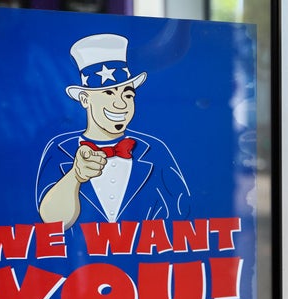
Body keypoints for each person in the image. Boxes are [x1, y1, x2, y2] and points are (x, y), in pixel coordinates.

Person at [36, 33, 190, 230]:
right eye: (108, 93)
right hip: (80, 259)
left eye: (127, 94)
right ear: (85, 99)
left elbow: (182, 214)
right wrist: (75, 176)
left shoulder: (153, 150)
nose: (120, 105)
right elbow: (51, 221)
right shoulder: (60, 149)